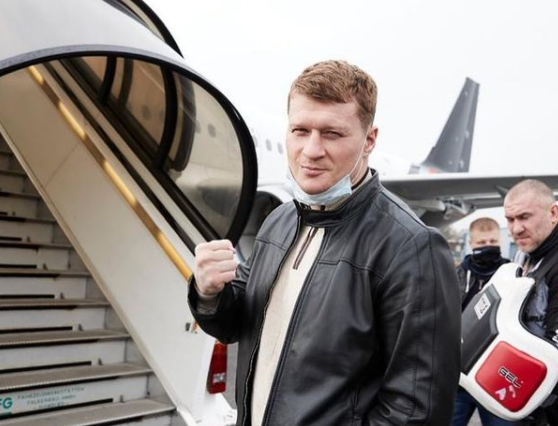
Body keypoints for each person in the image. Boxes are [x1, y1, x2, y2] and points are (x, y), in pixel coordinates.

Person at [188, 60, 461, 426]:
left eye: (332, 134)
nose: (311, 150)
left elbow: (417, 411)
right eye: (300, 131)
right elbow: (237, 323)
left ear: (369, 140)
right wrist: (209, 293)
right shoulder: (279, 222)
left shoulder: (410, 247)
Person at [504, 179, 558, 426]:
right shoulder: (526, 257)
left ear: (553, 213)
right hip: (531, 398)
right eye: (510, 220)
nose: (516, 229)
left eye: (524, 217)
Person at [451, 217, 511, 426]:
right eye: (481, 242)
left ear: (500, 241)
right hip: (459, 378)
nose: (488, 246)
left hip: (497, 379)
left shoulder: (514, 275)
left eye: (492, 241)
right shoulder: (454, 276)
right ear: (471, 243)